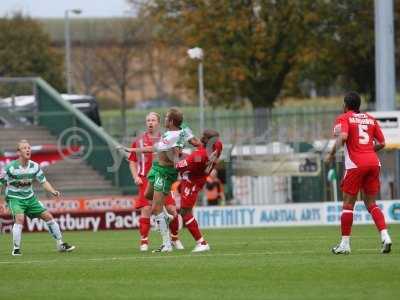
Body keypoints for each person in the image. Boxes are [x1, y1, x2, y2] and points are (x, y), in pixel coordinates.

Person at [121, 108, 196, 252]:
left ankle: (174, 238)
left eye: (153, 120)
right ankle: (144, 242)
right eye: (148, 120)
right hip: (146, 177)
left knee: (172, 209)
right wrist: (135, 176)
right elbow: (132, 161)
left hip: (164, 174)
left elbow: (181, 148)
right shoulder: (138, 140)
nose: (150, 123)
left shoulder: (167, 136)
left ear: (159, 122)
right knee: (147, 208)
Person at [326, 92, 392, 254]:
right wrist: (368, 150)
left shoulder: (345, 117)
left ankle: (345, 244)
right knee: (371, 203)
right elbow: (382, 143)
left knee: (348, 205)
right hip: (373, 163)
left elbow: (343, 136)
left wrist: (331, 154)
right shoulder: (370, 118)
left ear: (345, 105)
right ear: (359, 105)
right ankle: (385, 236)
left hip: (356, 164)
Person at [0, 140, 75, 256]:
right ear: (18, 152)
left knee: (48, 217)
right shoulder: (10, 168)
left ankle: (60, 244)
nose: (27, 150)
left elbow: (43, 182)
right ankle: (16, 248)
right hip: (15, 198)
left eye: (29, 147)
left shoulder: (35, 167)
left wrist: (53, 191)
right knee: (19, 218)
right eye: (24, 148)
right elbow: (0, 183)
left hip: (30, 198)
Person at [174, 129, 223, 252]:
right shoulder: (217, 146)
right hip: (200, 178)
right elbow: (198, 143)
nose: (201, 137)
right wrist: (187, 134)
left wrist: (174, 154)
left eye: (204, 136)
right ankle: (175, 237)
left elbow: (178, 166)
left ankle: (202, 242)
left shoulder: (198, 156)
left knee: (185, 212)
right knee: (186, 211)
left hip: (192, 182)